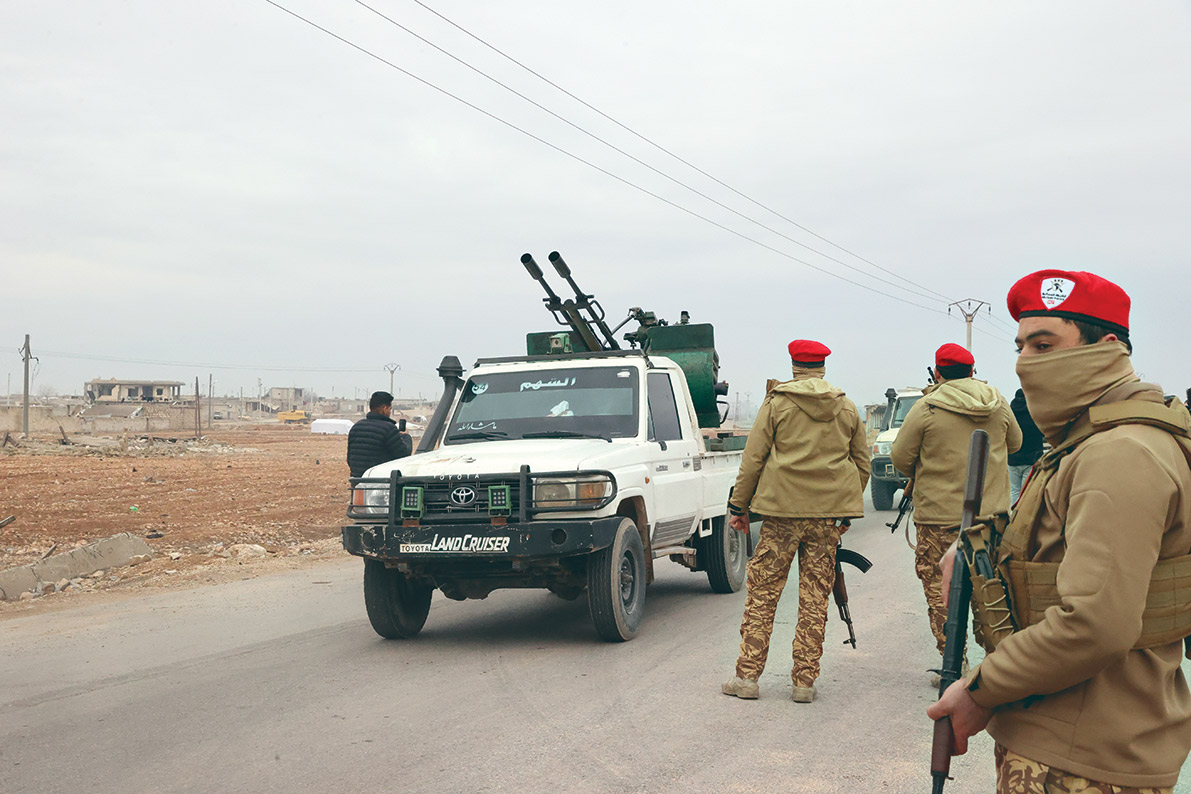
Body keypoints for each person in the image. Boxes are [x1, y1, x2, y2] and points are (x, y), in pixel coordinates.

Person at [929, 269, 1191, 792]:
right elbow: (1055, 546)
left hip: (1080, 759)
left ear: (1107, 348)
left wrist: (979, 690)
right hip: (1067, 737)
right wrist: (976, 548)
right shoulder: (1087, 441)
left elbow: (1094, 626)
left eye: (1045, 345)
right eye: (1022, 346)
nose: (1026, 361)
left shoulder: (1119, 454)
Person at [721, 340, 870, 703]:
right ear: (822, 367)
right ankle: (804, 683)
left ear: (794, 365)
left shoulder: (777, 404)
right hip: (825, 520)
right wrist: (844, 510)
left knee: (763, 595)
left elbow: (753, 459)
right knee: (815, 599)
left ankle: (747, 678)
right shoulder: (846, 407)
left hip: (781, 517)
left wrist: (739, 507)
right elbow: (862, 464)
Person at [890, 343, 1020, 677]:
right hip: (990, 521)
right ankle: (999, 666)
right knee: (990, 592)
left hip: (938, 519)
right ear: (973, 371)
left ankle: (955, 665)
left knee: (941, 593)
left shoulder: (927, 407)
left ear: (937, 372)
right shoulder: (997, 401)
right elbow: (1016, 443)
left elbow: (901, 458)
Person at [347, 391, 413, 478]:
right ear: (384, 408)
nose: (390, 412)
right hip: (379, 481)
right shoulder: (388, 429)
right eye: (390, 409)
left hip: (357, 480)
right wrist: (406, 436)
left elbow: (350, 459)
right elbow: (404, 454)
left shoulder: (356, 427)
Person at [1007, 388, 1044, 504]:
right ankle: (1022, 513)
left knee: (1014, 490)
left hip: (1013, 459)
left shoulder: (1010, 412)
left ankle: (1013, 513)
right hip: (1031, 459)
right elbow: (1042, 432)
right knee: (1026, 491)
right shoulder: (1034, 413)